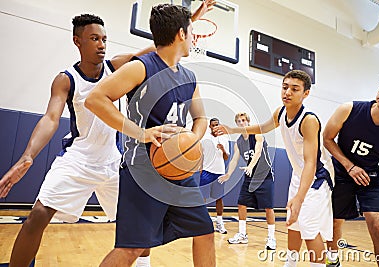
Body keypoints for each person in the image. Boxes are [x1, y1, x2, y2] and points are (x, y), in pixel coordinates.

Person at [0, 2, 214, 265]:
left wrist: (189, 20)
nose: (101, 44)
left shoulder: (116, 66)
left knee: (140, 242)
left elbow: (163, 48)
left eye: (104, 39)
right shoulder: (67, 78)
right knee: (39, 216)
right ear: (77, 41)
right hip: (79, 160)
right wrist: (27, 156)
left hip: (113, 161)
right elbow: (50, 118)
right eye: (94, 39)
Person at [85, 3, 215, 267]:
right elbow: (96, 99)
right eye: (192, 32)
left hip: (179, 172)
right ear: (181, 34)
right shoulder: (141, 67)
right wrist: (141, 133)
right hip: (143, 171)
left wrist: (192, 139)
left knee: (204, 231)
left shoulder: (190, 77)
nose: (194, 38)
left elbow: (200, 118)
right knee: (131, 248)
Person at [216, 70, 334, 267]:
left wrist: (299, 197)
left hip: (317, 178)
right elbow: (262, 128)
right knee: (293, 224)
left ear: (306, 93)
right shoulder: (280, 112)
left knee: (309, 227)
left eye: (294, 89)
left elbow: (311, 163)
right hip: (299, 175)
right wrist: (234, 129)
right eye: (285, 87)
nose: (287, 92)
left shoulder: (309, 121)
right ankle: (290, 264)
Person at [323, 70, 379, 267]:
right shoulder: (349, 109)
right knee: (335, 222)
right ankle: (333, 260)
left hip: (372, 177)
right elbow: (327, 138)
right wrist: (350, 166)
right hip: (342, 171)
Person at [218, 112, 276, 250]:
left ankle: (271, 238)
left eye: (243, 120)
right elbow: (234, 159)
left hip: (264, 176)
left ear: (248, 122)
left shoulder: (257, 134)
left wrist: (250, 166)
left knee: (268, 207)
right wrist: (228, 174)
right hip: (250, 176)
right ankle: (242, 234)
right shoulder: (238, 142)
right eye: (238, 121)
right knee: (241, 204)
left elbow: (258, 152)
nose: (241, 123)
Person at [200, 117, 230, 234]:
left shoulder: (224, 139)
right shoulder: (205, 138)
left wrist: (223, 150)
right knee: (203, 198)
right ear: (210, 127)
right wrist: (200, 168)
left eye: (217, 124)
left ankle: (219, 223)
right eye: (213, 125)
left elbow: (226, 157)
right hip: (207, 171)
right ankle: (202, 223)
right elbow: (200, 155)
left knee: (219, 198)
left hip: (219, 172)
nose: (215, 127)